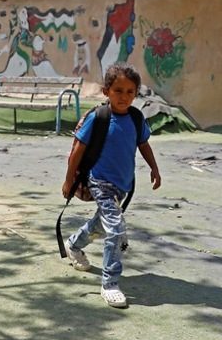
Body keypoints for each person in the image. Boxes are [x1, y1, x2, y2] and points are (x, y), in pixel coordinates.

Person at [60, 63, 162, 309]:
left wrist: (154, 168)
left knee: (102, 225)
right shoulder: (99, 117)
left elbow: (144, 144)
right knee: (116, 230)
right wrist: (69, 178)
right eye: (118, 90)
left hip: (123, 185)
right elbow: (77, 149)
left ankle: (74, 244)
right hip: (100, 182)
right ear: (106, 91)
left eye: (130, 91)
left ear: (136, 93)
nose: (124, 96)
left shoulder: (136, 118)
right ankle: (110, 284)